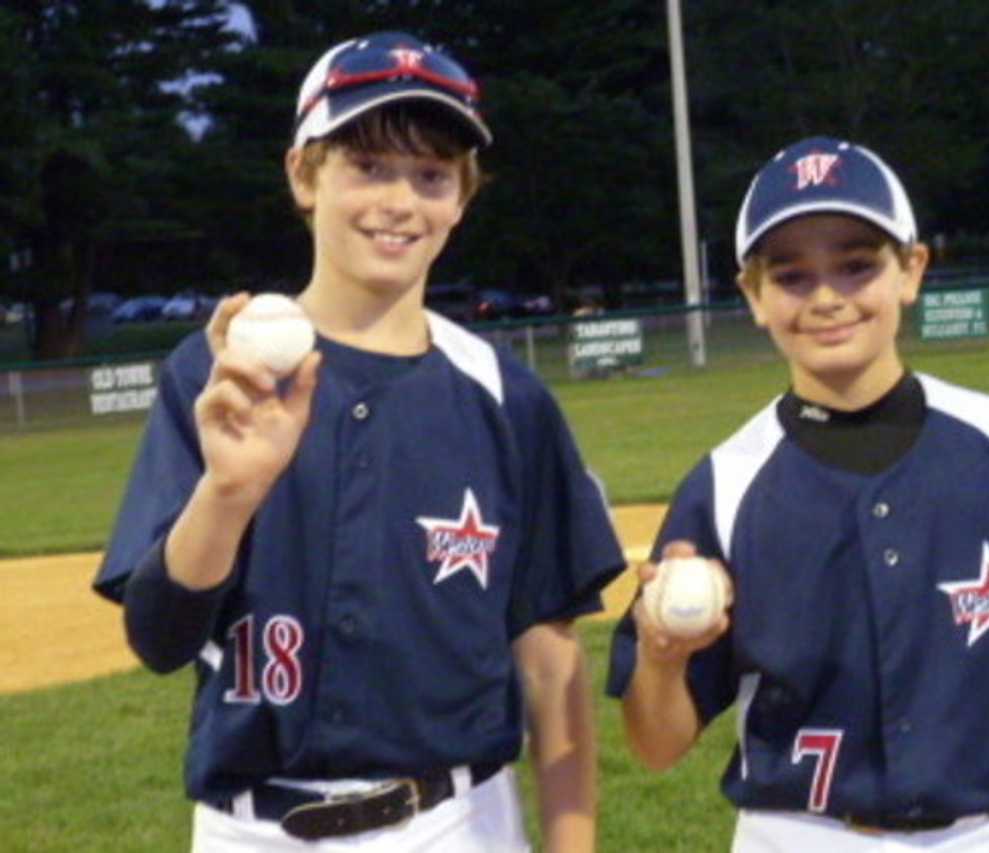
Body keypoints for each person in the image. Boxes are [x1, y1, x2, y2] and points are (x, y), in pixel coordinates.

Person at [94, 31, 625, 852]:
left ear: (461, 198)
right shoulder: (215, 373)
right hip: (250, 832)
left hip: (456, 824)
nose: (401, 201)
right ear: (304, 175)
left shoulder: (505, 397)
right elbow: (158, 639)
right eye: (369, 166)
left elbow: (552, 668)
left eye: (432, 175)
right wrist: (228, 493)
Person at [606, 136, 989, 852]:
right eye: (791, 276)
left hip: (982, 835)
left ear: (912, 269)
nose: (827, 298)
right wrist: (663, 658)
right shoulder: (728, 482)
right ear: (753, 297)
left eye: (857, 266)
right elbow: (658, 745)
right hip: (795, 833)